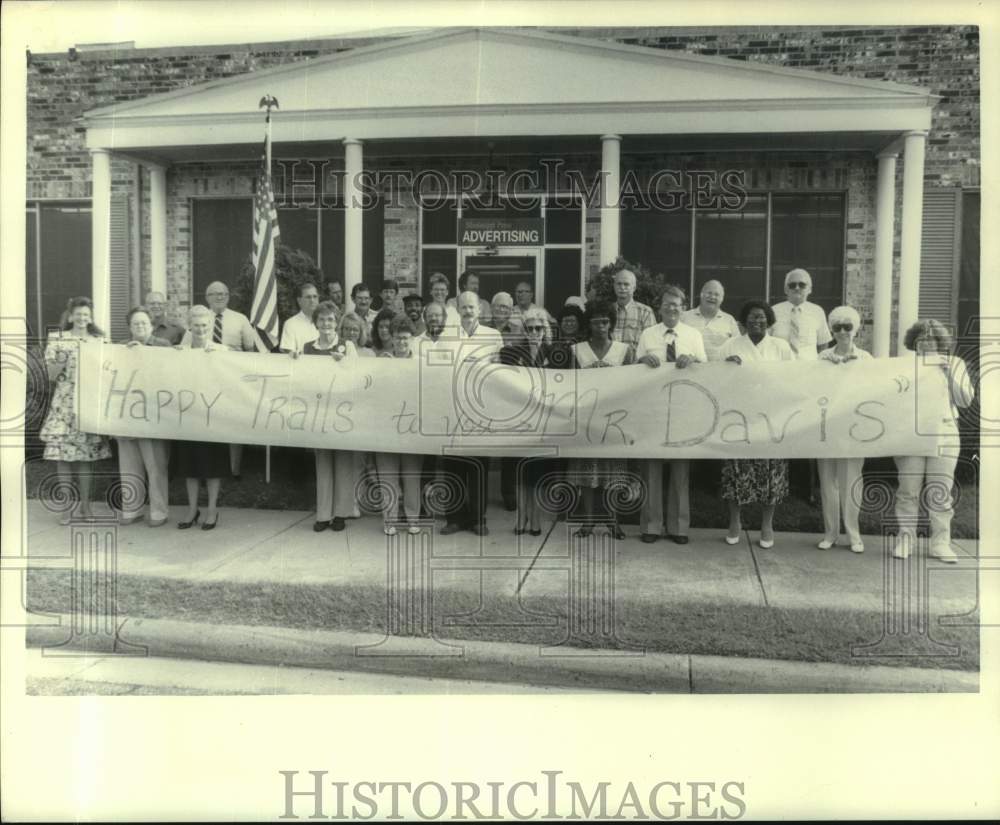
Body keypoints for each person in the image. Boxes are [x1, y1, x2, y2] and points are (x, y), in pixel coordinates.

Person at [892, 319, 975, 563]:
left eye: (931, 339)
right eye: (920, 340)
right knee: (908, 490)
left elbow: (965, 400)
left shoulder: (954, 363)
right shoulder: (904, 365)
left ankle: (941, 543)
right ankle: (905, 539)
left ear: (940, 342)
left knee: (940, 491)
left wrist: (948, 373)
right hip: (911, 432)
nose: (925, 343)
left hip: (944, 430)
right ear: (913, 344)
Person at [718, 301, 794, 548]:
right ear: (743, 321)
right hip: (739, 418)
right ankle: (734, 521)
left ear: (769, 320)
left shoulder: (781, 347)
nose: (757, 321)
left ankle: (767, 524)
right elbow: (714, 377)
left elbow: (795, 378)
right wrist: (726, 367)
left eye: (761, 317)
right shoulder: (730, 345)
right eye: (751, 317)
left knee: (771, 472)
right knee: (737, 470)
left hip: (772, 417)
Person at [635, 286, 707, 544]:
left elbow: (706, 369)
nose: (671, 308)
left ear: (683, 307)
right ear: (660, 307)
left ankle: (679, 527)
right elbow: (633, 370)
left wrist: (692, 361)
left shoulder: (693, 335)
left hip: (683, 408)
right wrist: (643, 360)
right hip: (653, 407)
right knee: (651, 469)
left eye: (676, 304)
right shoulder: (648, 334)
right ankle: (651, 525)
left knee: (680, 470)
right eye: (667, 304)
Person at [40, 297, 112, 524]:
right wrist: (61, 358)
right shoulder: (58, 339)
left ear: (91, 318)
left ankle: (86, 508)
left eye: (86, 315)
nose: (82, 318)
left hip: (89, 402)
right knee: (63, 458)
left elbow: (111, 371)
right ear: (71, 316)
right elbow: (51, 375)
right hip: (64, 404)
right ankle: (66, 508)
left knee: (86, 459)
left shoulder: (100, 340)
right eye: (78, 314)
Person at [567, 300, 635, 538]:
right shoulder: (577, 350)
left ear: (611, 324)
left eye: (605, 321)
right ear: (589, 324)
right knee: (587, 473)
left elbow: (632, 385)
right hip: (587, 419)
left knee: (613, 473)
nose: (600, 326)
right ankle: (587, 522)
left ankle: (613, 521)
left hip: (614, 420)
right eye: (595, 321)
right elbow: (571, 385)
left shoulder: (624, 351)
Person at [440, 291, 503, 536]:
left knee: (478, 465)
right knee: (453, 465)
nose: (467, 311)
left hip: (480, 408)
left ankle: (478, 518)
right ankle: (454, 519)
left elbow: (499, 373)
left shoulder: (493, 335)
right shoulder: (446, 337)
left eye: (471, 307)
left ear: (480, 309)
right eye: (463, 307)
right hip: (452, 407)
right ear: (458, 309)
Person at [499, 306, 565, 535]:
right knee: (519, 470)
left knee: (536, 472)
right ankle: (521, 518)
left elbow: (563, 384)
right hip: (520, 419)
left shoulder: (555, 352)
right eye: (530, 328)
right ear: (525, 331)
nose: (535, 332)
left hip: (544, 420)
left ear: (544, 329)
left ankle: (535, 519)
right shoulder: (513, 352)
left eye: (539, 327)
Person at [180, 280, 255, 477]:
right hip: (203, 381)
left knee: (232, 422)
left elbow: (250, 349)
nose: (220, 297)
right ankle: (206, 469)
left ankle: (234, 470)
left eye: (224, 293)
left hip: (231, 378)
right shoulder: (199, 319)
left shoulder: (240, 319)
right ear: (207, 298)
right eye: (215, 294)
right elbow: (184, 350)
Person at [815, 305, 872, 554]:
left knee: (851, 482)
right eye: (837, 327)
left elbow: (875, 389)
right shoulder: (822, 358)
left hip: (853, 426)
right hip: (826, 426)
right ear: (831, 330)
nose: (842, 331)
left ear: (855, 329)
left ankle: (854, 534)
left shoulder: (866, 359)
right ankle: (830, 533)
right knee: (828, 482)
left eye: (847, 327)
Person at [299, 301, 359, 532]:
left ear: (337, 323)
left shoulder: (347, 346)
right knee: (323, 462)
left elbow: (356, 376)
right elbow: (303, 378)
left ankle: (341, 514)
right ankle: (323, 514)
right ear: (316, 323)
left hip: (341, 411)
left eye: (331, 320)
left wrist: (343, 365)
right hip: (318, 411)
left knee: (343, 462)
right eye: (322, 319)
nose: (326, 324)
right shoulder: (307, 348)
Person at [173, 305, 230, 530]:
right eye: (196, 325)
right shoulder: (181, 351)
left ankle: (212, 509)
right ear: (189, 326)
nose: (200, 329)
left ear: (211, 325)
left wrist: (216, 359)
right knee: (190, 465)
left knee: (214, 465)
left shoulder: (222, 351)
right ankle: (192, 509)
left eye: (204, 325)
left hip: (213, 415)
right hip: (189, 415)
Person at [116, 307, 172, 527]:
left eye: (144, 322)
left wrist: (143, 354)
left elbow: (168, 373)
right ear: (129, 327)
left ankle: (159, 511)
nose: (140, 326)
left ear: (151, 324)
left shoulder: (162, 346)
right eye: (135, 323)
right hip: (126, 414)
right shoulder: (119, 348)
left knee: (155, 465)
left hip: (153, 414)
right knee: (129, 465)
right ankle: (132, 509)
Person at [374, 315, 424, 535]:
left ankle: (413, 518)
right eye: (398, 338)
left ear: (412, 339)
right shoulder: (382, 361)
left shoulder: (421, 363)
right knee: (387, 475)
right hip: (386, 425)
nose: (402, 343)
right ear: (391, 339)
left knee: (412, 475)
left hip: (412, 425)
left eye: (406, 338)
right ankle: (390, 520)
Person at [770, 268, 832, 360]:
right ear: (785, 289)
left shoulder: (817, 311)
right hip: (780, 367)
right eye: (792, 285)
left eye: (802, 285)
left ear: (809, 289)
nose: (797, 288)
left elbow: (823, 343)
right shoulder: (773, 311)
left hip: (808, 368)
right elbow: (766, 342)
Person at [681, 279, 740, 361]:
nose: (712, 297)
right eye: (709, 293)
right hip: (689, 371)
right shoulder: (684, 317)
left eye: (716, 294)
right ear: (701, 294)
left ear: (722, 299)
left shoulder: (729, 320)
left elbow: (738, 347)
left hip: (719, 371)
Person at [610, 268, 656, 352]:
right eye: (619, 284)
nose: (622, 287)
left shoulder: (645, 312)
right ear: (614, 286)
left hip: (635, 363)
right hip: (610, 363)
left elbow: (652, 344)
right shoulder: (607, 310)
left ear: (634, 288)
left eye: (626, 284)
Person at [279, 281, 320, 353]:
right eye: (308, 297)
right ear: (299, 300)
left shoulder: (326, 322)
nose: (312, 300)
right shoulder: (291, 324)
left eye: (315, 296)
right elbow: (289, 354)